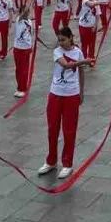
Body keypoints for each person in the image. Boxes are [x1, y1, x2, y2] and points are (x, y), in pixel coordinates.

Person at [38, 26, 87, 180]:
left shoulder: (78, 52)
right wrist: (83, 62)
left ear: (71, 38)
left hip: (71, 95)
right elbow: (65, 65)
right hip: (55, 94)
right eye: (59, 40)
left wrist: (81, 91)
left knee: (69, 130)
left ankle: (67, 164)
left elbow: (81, 72)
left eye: (63, 40)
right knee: (52, 129)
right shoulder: (57, 51)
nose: (61, 43)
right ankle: (51, 161)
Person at [12, 2, 36, 98]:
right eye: (25, 11)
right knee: (18, 69)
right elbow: (22, 13)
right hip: (17, 48)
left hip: (26, 48)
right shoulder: (18, 20)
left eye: (28, 11)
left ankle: (23, 88)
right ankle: (19, 87)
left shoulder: (30, 22)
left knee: (24, 69)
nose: (27, 12)